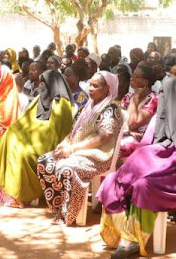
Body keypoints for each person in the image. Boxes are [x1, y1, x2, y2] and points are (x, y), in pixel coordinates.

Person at [96, 76, 176, 259]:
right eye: (161, 93)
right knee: (111, 180)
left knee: (143, 186)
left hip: (171, 180)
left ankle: (132, 240)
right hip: (147, 169)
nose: (161, 98)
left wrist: (155, 156)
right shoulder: (158, 119)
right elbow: (145, 147)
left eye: (166, 94)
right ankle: (118, 235)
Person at [37, 71, 123, 226]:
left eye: (95, 86)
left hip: (98, 156)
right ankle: (58, 208)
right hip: (78, 150)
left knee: (67, 167)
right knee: (45, 161)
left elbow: (104, 137)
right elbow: (74, 130)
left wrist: (72, 149)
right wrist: (65, 143)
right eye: (90, 84)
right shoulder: (89, 106)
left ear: (107, 89)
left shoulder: (110, 109)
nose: (90, 88)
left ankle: (69, 214)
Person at [0, 69, 74, 207]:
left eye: (44, 83)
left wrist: (26, 137)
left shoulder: (62, 103)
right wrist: (14, 133)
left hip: (46, 144)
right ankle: (5, 190)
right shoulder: (39, 99)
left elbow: (53, 131)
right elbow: (24, 121)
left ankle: (22, 194)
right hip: (30, 139)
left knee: (20, 152)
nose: (41, 86)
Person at [118, 64, 158, 161]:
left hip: (142, 140)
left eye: (136, 76)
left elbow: (133, 124)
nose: (132, 78)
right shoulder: (128, 96)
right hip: (125, 134)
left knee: (118, 149)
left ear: (146, 81)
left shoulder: (154, 100)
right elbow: (118, 118)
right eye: (132, 75)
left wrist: (135, 100)